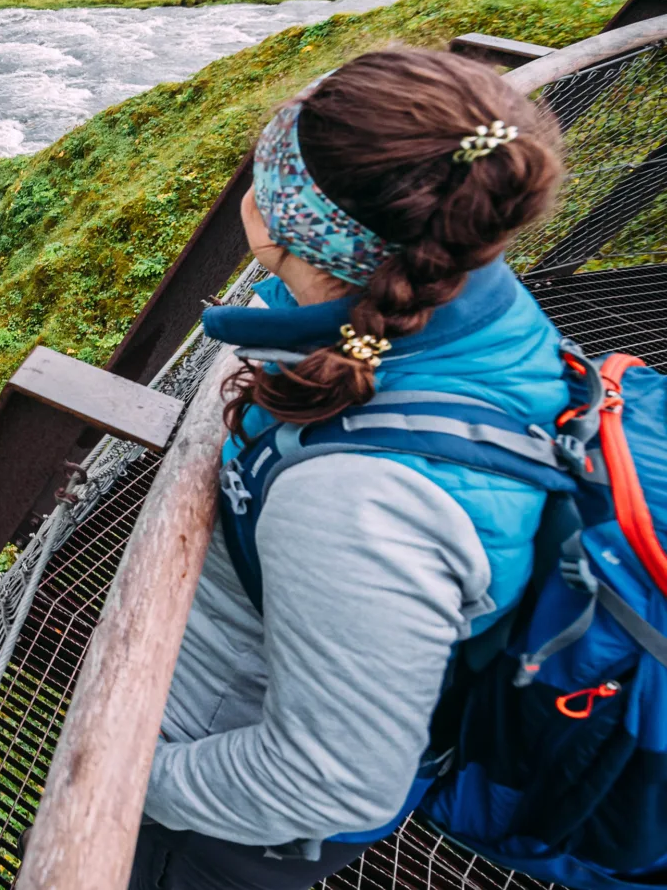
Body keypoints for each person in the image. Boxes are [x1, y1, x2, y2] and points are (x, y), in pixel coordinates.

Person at [129, 49, 567, 890]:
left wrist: (123, 775)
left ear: (277, 223)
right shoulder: (475, 305)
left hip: (222, 826)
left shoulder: (355, 499)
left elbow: (327, 780)